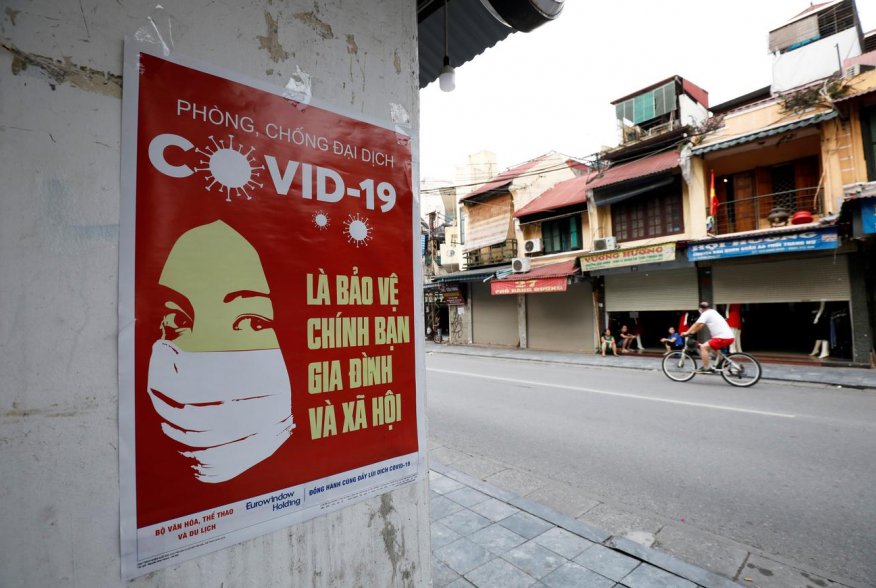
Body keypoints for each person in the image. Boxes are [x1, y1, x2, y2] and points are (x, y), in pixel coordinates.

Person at [681, 301, 735, 373]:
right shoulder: (713, 312)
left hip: (722, 337)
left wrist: (686, 332)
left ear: (700, 309)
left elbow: (696, 324)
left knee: (703, 347)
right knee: (714, 349)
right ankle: (724, 362)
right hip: (728, 337)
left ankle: (706, 368)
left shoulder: (705, 314)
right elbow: (700, 326)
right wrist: (693, 332)